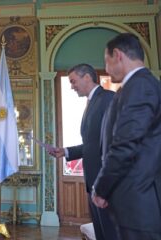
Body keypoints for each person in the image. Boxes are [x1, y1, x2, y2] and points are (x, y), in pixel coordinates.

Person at [92, 33, 161, 239]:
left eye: (106, 61)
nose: (106, 68)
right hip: (133, 201)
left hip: (138, 202)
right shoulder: (137, 86)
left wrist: (102, 188)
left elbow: (124, 145)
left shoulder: (140, 86)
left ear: (117, 55)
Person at [48, 64, 116, 240]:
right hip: (93, 183)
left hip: (106, 185)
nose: (71, 86)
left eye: (73, 81)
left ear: (87, 77)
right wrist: (65, 152)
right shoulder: (91, 103)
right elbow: (92, 144)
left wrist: (106, 185)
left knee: (111, 234)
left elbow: (114, 145)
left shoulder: (108, 99)